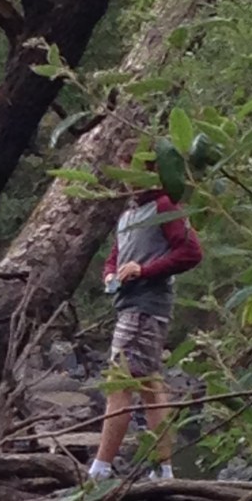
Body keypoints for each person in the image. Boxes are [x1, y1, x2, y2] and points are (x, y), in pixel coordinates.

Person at [88, 142, 203, 481]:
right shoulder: (127, 215)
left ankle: (100, 468)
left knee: (119, 382)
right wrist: (110, 273)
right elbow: (115, 255)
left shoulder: (165, 206)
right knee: (151, 386)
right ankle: (163, 469)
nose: (130, 181)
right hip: (128, 303)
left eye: (136, 172)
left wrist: (145, 270)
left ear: (153, 171)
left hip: (145, 307)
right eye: (125, 172)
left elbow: (191, 253)